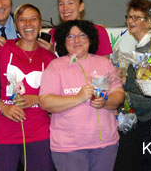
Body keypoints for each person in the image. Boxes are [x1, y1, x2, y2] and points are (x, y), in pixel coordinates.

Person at [39, 20, 125, 171]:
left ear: (90, 39)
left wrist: (105, 102)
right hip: (69, 147)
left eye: (82, 35)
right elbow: (46, 102)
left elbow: (118, 94)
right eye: (70, 37)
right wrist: (78, 98)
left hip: (105, 144)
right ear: (63, 42)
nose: (77, 40)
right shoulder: (56, 66)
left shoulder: (103, 63)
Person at [0, 3, 56, 171]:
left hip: (38, 132)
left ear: (40, 24)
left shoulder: (49, 58)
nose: (28, 24)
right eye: (22, 20)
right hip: (3, 130)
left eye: (33, 19)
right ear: (16, 25)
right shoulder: (1, 49)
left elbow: (58, 97)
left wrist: (38, 99)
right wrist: (2, 107)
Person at [114, 0, 151, 171]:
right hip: (144, 119)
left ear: (149, 22)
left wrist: (125, 81)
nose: (130, 21)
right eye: (129, 17)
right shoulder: (137, 47)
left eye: (137, 17)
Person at [37, 0, 112, 58]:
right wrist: (51, 53)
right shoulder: (53, 34)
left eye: (70, 3)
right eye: (61, 4)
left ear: (81, 6)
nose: (65, 8)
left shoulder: (98, 32)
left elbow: (104, 67)